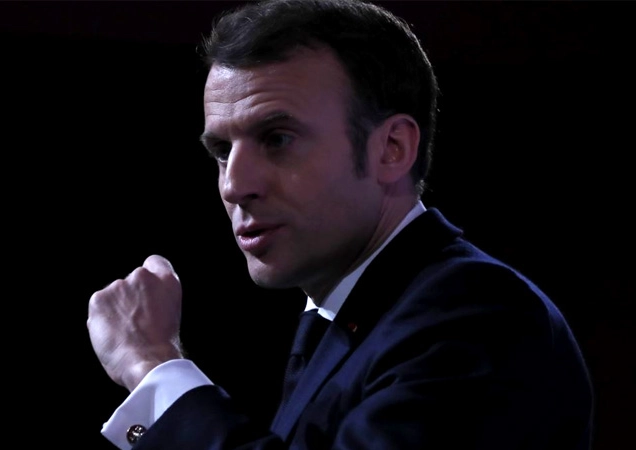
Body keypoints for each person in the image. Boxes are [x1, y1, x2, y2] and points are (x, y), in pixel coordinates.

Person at [86, 0, 594, 448]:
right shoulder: (355, 313)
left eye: (278, 138)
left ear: (391, 149)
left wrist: (151, 364)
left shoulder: (478, 318)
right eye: (222, 150)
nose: (234, 185)